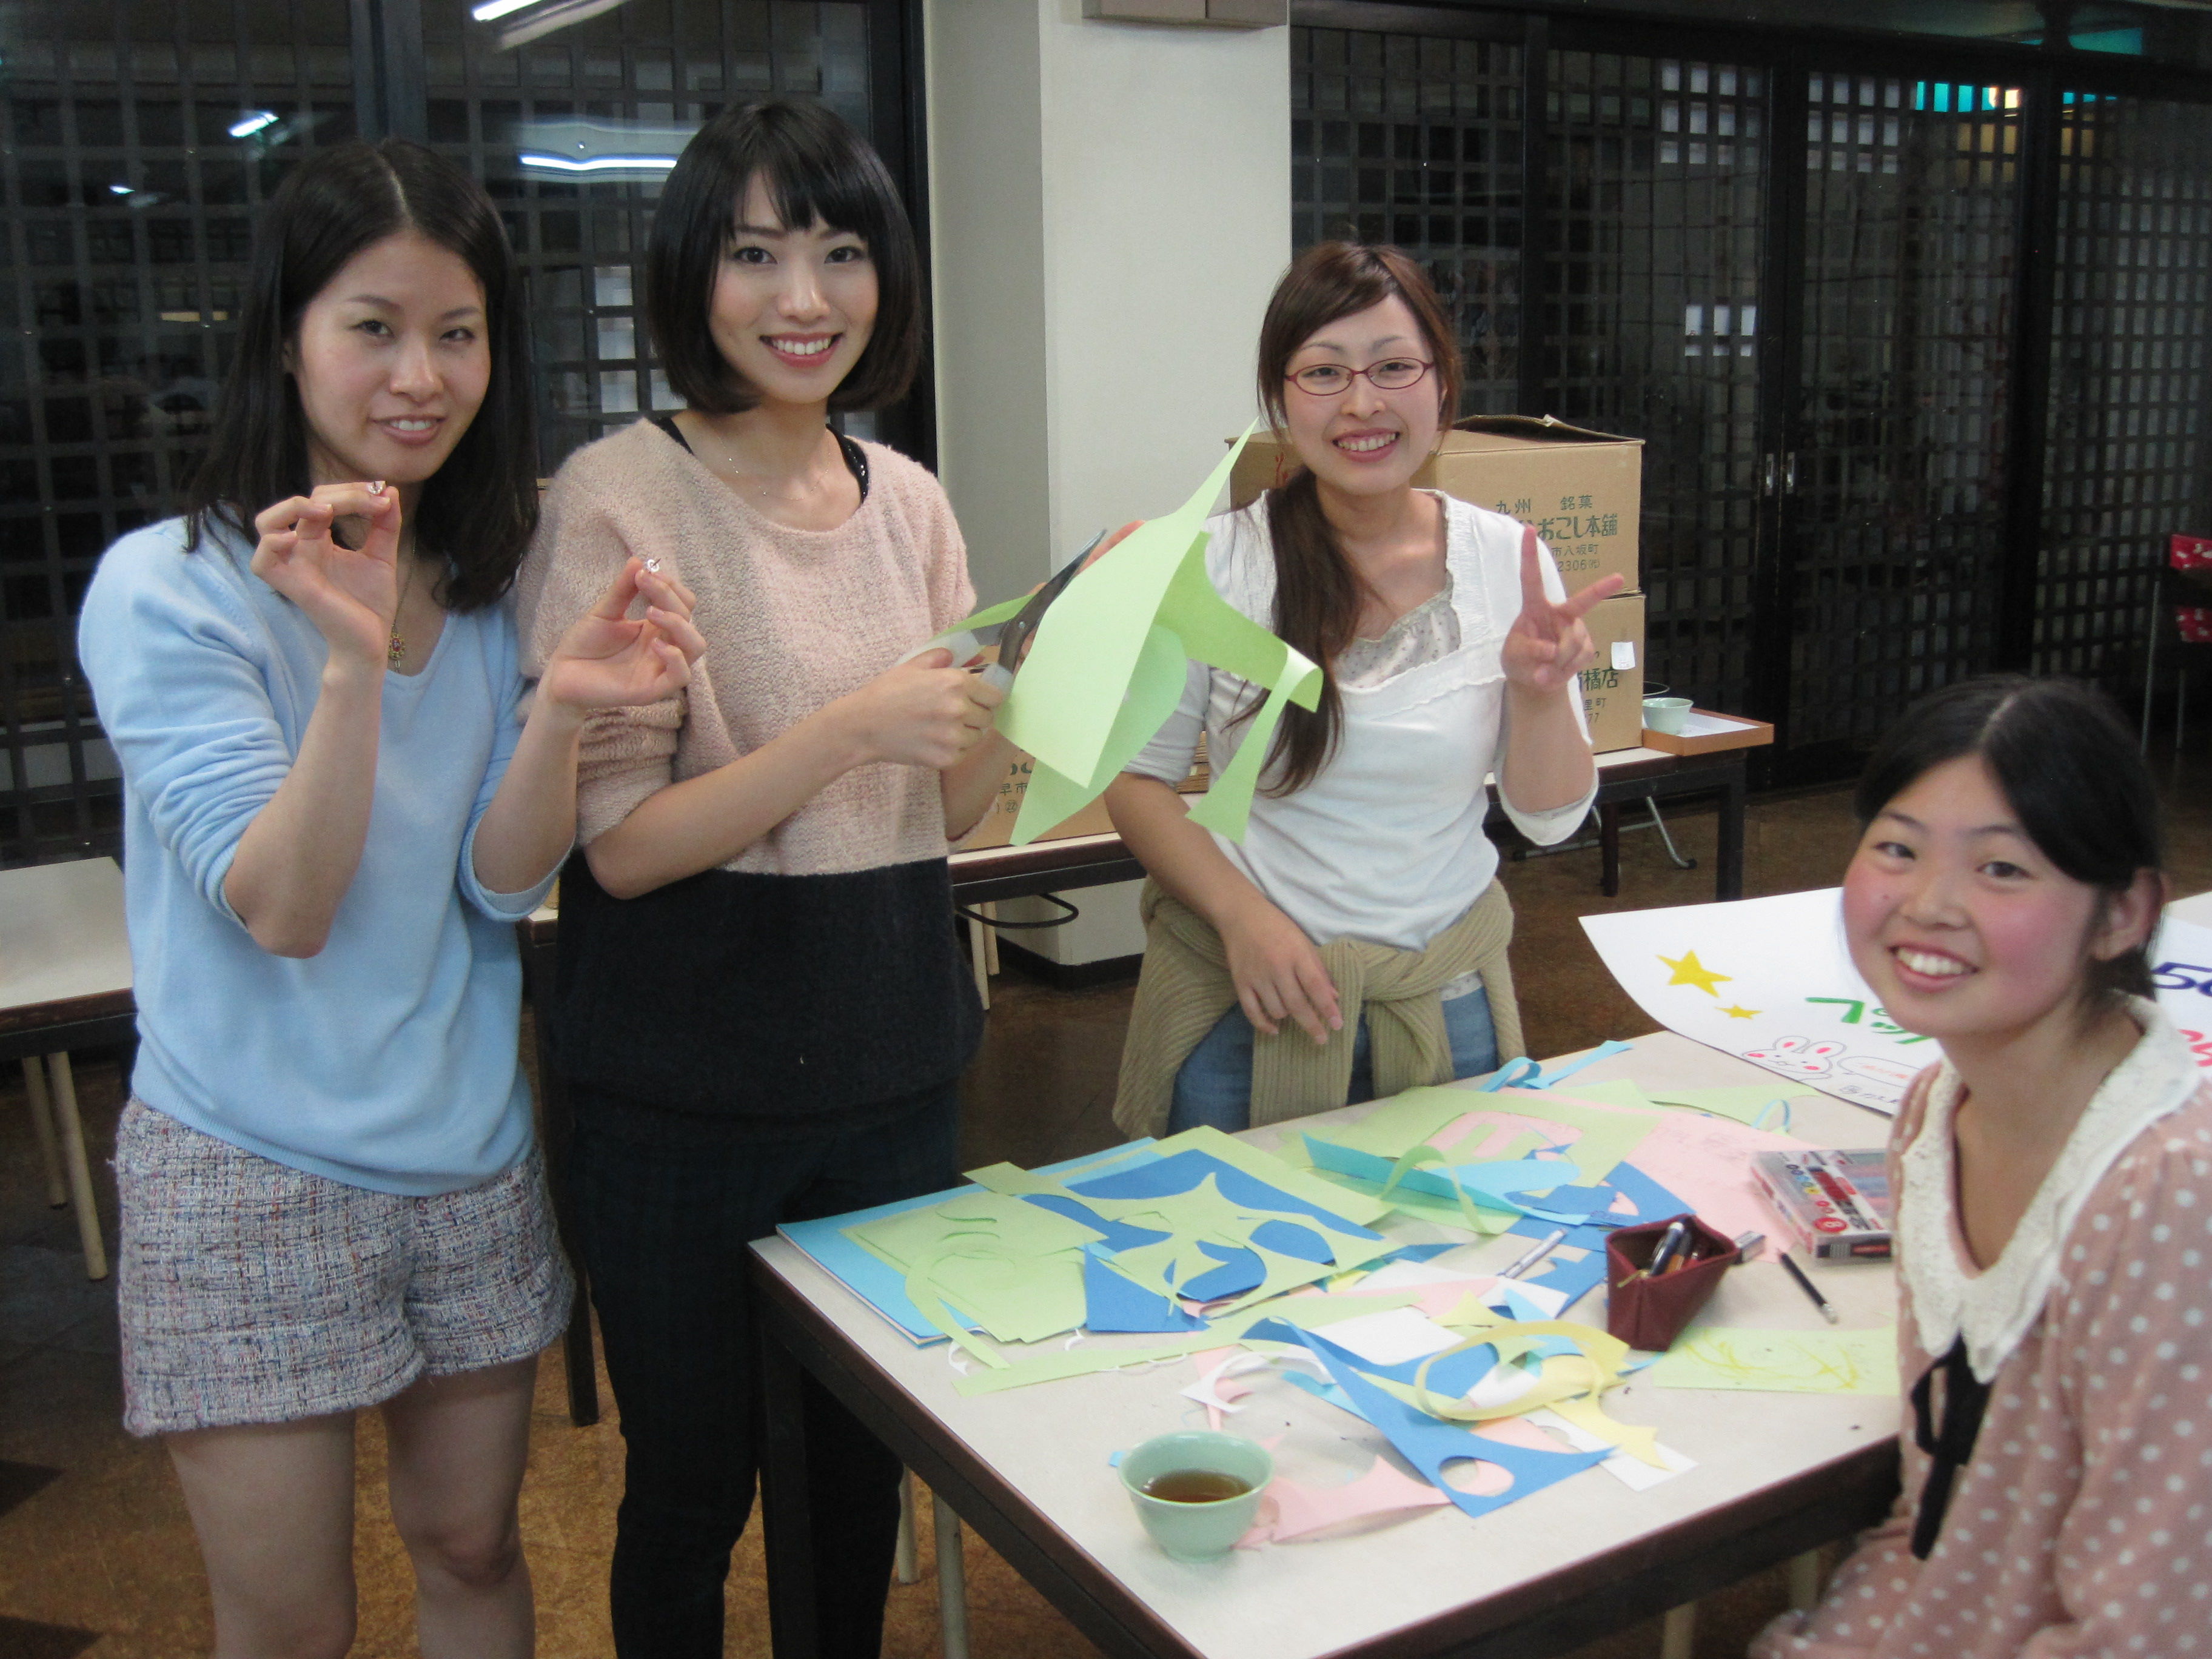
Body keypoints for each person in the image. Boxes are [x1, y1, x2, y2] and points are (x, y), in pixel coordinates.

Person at [78, 139, 700, 1659]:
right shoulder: (169, 587)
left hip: (467, 1149)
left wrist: (561, 713)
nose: (420, 377)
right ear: (287, 335)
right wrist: (351, 663)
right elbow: (284, 908)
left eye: (457, 332)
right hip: (247, 1166)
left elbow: (500, 882)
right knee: (293, 1621)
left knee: (476, 1547)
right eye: (373, 327)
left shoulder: (487, 580)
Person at [514, 99, 1009, 1658]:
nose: (805, 297)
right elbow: (620, 846)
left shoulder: (910, 500)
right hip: (682, 1093)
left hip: (890, 1065)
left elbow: (958, 812)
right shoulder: (618, 500)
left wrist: (1026, 696)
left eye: (841, 252)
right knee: (693, 1483)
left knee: (857, 1473)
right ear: (693, 275)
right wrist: (851, 729)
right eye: (755, 254)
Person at [1108, 241, 1621, 1138]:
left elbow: (1550, 821)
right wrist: (1243, 919)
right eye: (1324, 373)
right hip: (1250, 998)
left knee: (1440, 1231)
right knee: (1238, 1229)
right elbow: (1136, 782)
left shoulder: (1509, 560)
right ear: (1281, 401)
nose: (1361, 404)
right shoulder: (1215, 565)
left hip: (1442, 1000)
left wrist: (1539, 694)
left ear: (1442, 386)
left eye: (1393, 367)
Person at [1752, 675, 2204, 1659]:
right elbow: (1936, 1518)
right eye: (1898, 849)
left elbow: (2147, 1631)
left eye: (2001, 869)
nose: (1928, 905)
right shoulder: (1936, 1111)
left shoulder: (2169, 1195)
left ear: (2124, 913)